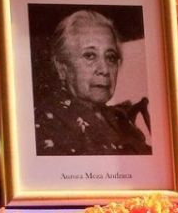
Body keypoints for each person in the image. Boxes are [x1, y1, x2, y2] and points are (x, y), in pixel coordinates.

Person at [34, 10, 150, 156]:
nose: (104, 70)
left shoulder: (119, 119)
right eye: (89, 56)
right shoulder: (46, 125)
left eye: (111, 57)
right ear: (62, 67)